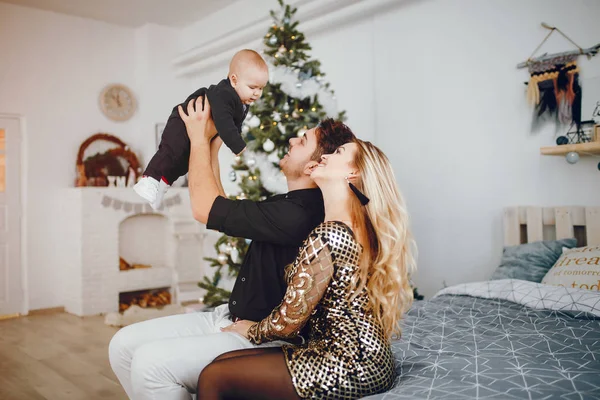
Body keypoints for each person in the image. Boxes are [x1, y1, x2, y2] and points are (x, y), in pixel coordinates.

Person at [108, 98, 356, 398]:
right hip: (228, 316)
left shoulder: (300, 214)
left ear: (315, 165)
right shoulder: (289, 204)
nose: (292, 139)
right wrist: (211, 144)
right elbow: (219, 204)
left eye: (302, 141)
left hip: (263, 337)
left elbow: (204, 209)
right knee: (122, 345)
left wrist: (198, 137)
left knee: (151, 364)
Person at [181, 99, 417, 400]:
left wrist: (250, 330)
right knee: (221, 364)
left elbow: (287, 321)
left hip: (350, 364)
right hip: (363, 357)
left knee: (214, 375)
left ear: (351, 175)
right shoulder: (341, 226)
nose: (326, 156)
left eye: (337, 153)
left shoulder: (330, 233)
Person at [134, 49, 268, 210]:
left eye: (261, 88)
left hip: (199, 129)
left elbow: (235, 124)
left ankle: (161, 186)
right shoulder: (225, 94)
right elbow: (224, 121)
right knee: (172, 152)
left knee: (183, 163)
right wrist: (237, 144)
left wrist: (234, 135)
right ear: (234, 80)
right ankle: (148, 179)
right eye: (253, 87)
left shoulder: (242, 103)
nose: (257, 93)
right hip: (183, 121)